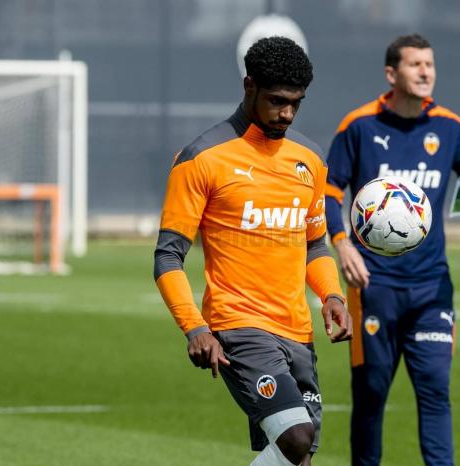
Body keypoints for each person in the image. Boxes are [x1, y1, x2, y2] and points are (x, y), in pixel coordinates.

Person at [154, 36, 353, 466]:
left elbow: (314, 243)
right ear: (249, 86)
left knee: (294, 458)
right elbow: (168, 256)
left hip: (297, 330)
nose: (287, 113)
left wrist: (332, 295)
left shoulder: (310, 161)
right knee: (296, 438)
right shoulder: (201, 159)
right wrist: (194, 327)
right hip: (238, 326)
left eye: (296, 104)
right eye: (277, 101)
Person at [324, 34, 460, 466]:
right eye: (416, 65)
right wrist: (342, 245)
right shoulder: (359, 125)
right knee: (371, 396)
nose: (426, 72)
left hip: (432, 288)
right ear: (391, 74)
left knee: (435, 390)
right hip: (374, 285)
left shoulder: (450, 126)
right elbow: (327, 190)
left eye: (430, 64)